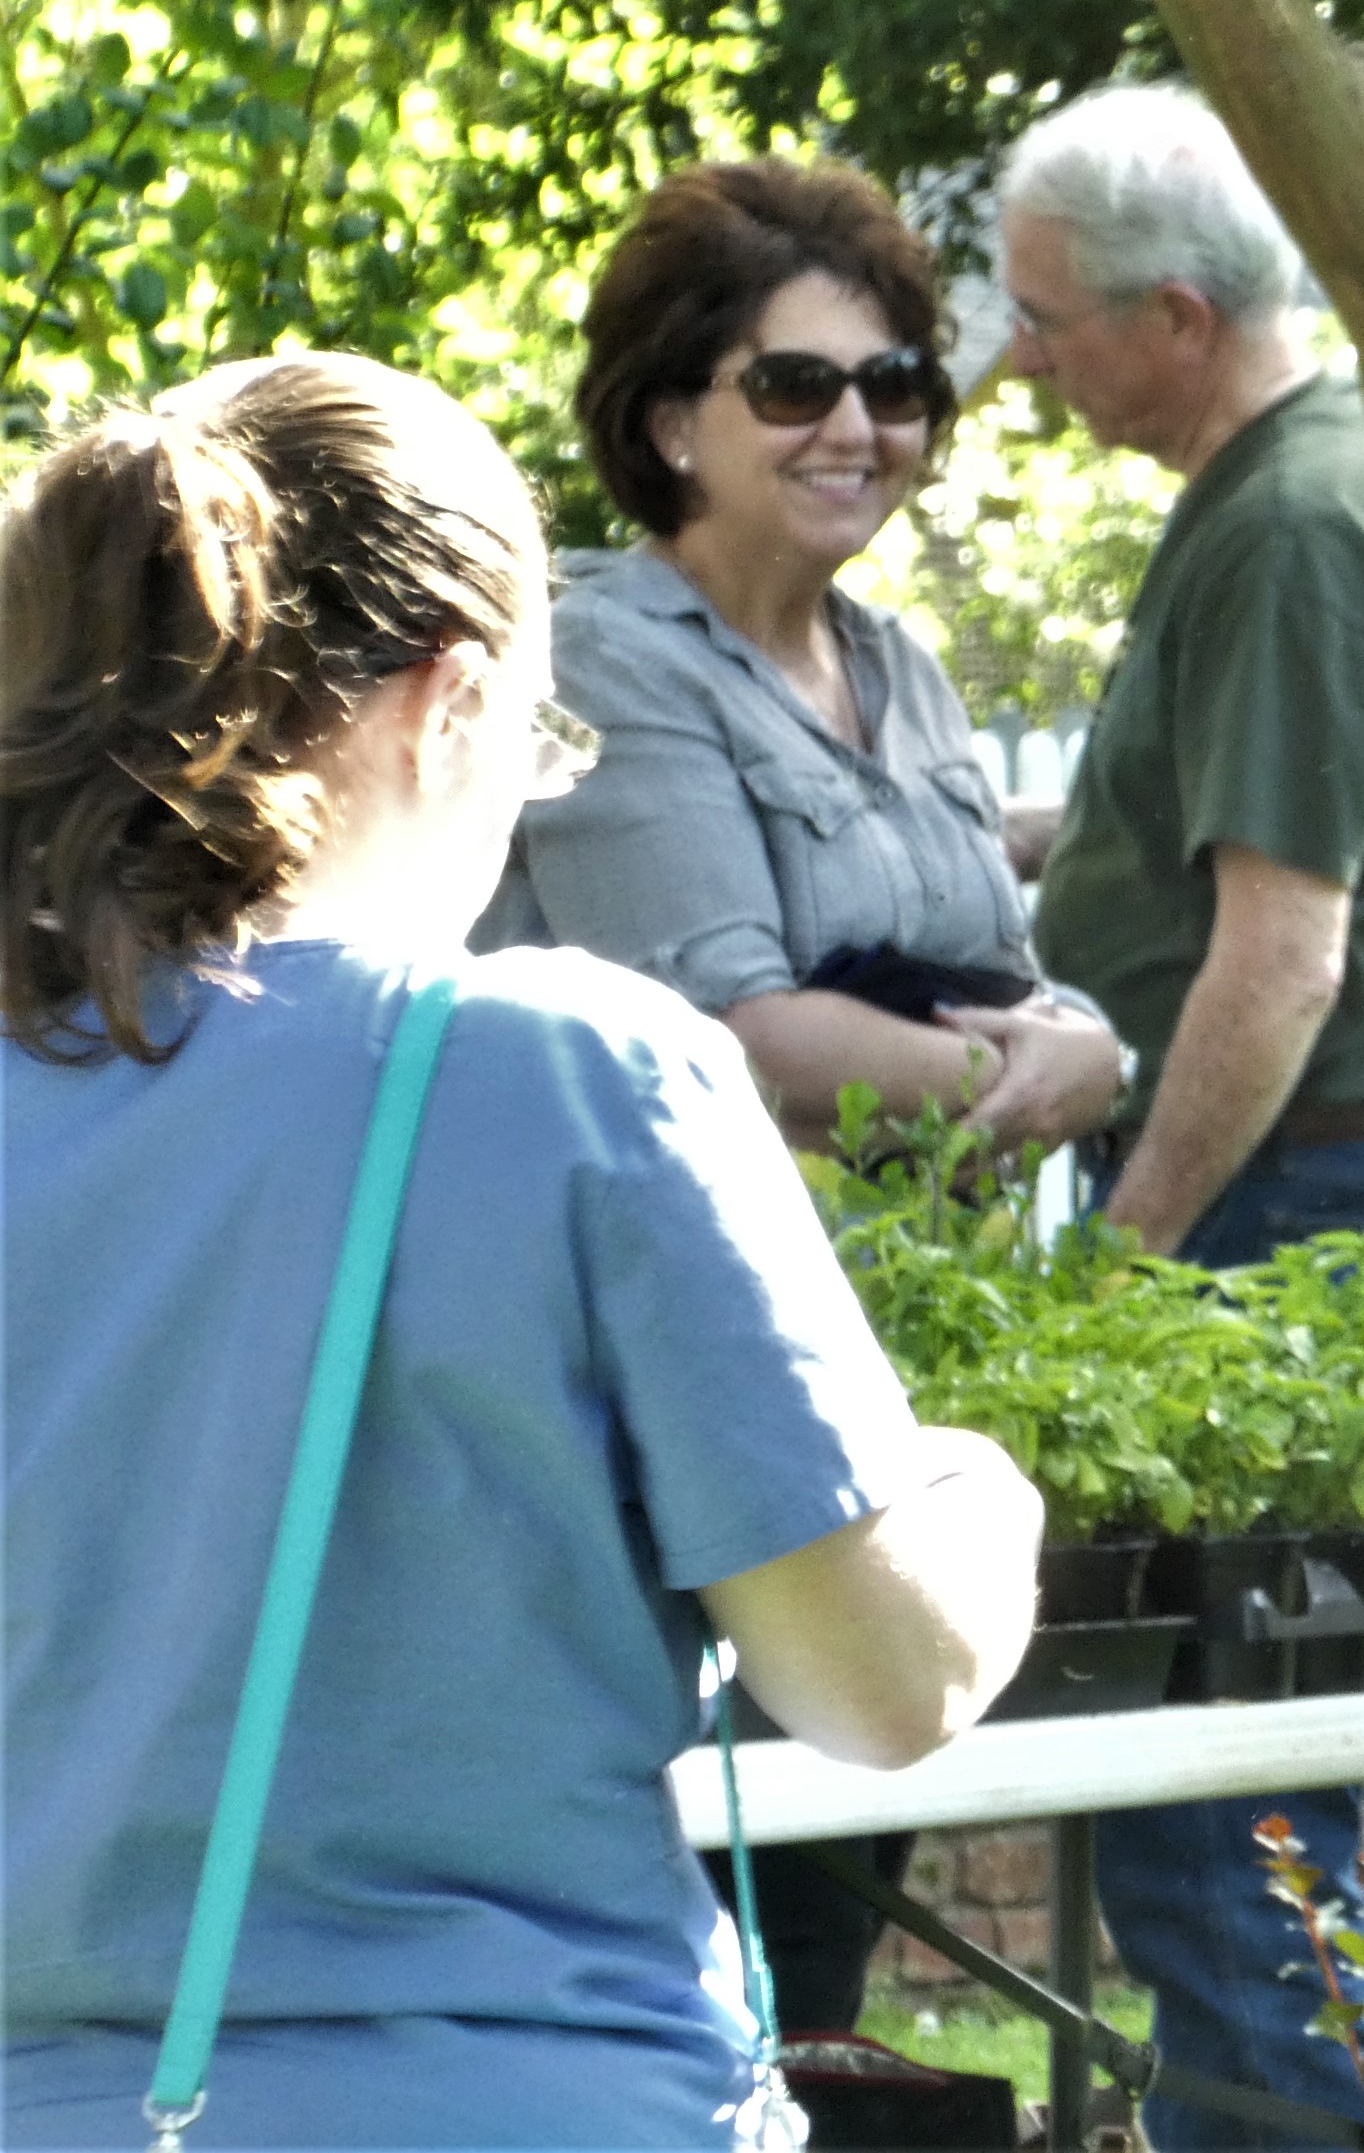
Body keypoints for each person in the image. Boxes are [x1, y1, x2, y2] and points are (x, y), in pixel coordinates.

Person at [0, 355, 1042, 2147]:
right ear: (453, 700)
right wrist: (983, 1501)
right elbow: (884, 1687)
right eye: (547, 743)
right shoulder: (559, 1071)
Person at [491, 157, 1120, 2034]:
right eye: (796, 385)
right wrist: (1035, 1084)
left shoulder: (902, 666)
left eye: (898, 384)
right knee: (716, 1917)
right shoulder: (606, 654)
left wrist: (1085, 1039)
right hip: (687, 1375)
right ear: (675, 416)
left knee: (837, 1909)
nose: (858, 424)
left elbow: (1001, 967)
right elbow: (734, 1037)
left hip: (909, 1353)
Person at [998, 83, 1364, 2149]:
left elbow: (1278, 957)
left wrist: (1128, 1255)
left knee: (1227, 1815)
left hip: (1287, 1201)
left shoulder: (1292, 526)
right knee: (1248, 1814)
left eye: (1046, 321)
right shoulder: (1297, 477)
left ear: (1175, 315)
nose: (1022, 361)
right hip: (1309, 1183)